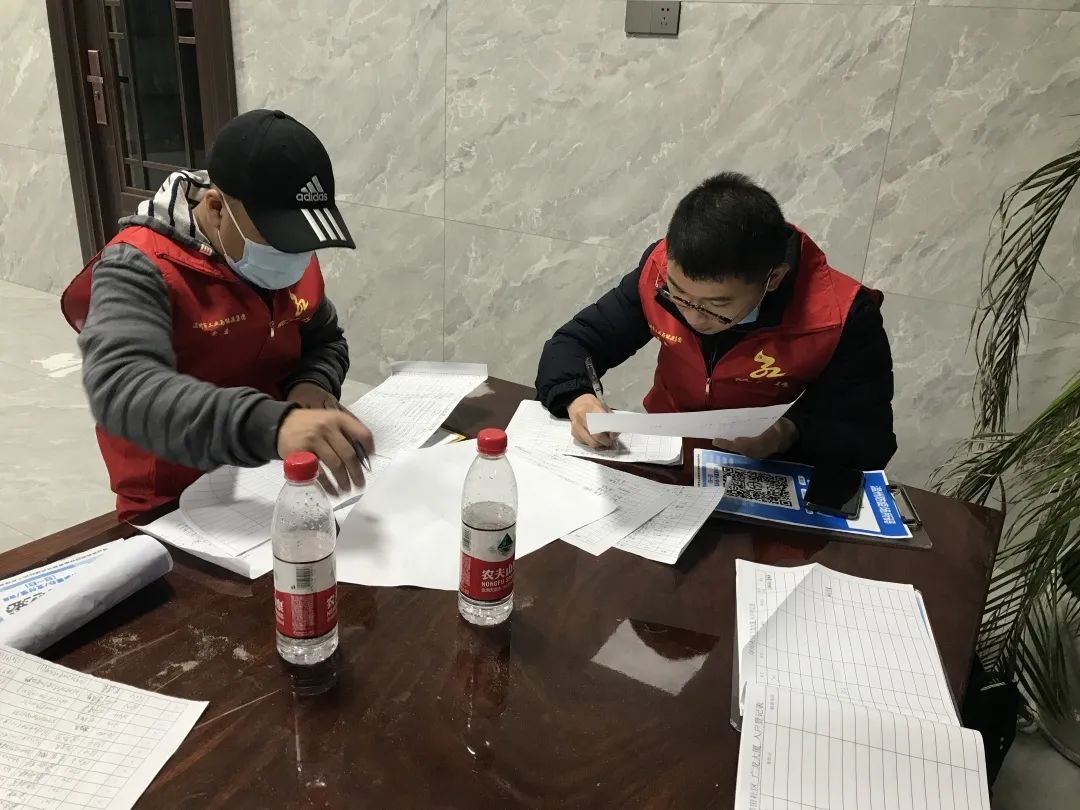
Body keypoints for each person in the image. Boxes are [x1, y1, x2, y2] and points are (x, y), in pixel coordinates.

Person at [62, 109, 374, 521]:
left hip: (275, 479)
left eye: (302, 241)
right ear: (216, 207)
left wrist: (311, 382)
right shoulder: (137, 265)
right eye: (278, 240)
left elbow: (325, 339)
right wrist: (273, 426)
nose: (294, 256)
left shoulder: (288, 259)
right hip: (173, 504)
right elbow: (122, 391)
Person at [535, 172, 896, 471]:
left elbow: (869, 438)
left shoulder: (840, 314)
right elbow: (575, 342)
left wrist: (784, 434)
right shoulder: (657, 271)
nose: (692, 316)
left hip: (763, 468)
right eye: (679, 294)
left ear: (773, 278)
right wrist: (578, 400)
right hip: (667, 455)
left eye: (716, 305)